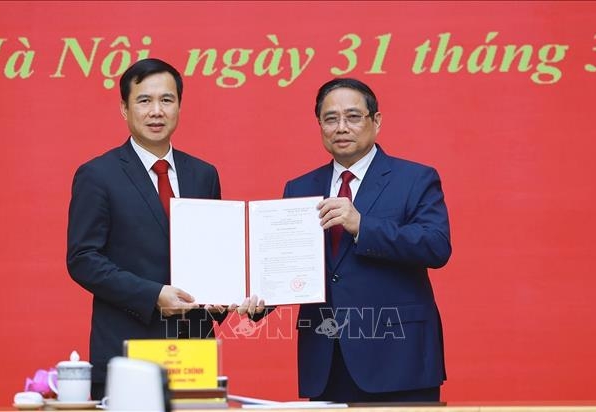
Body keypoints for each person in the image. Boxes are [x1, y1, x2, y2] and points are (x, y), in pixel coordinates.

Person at [66, 58, 264, 400]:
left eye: (166, 100)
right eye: (144, 100)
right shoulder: (98, 175)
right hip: (128, 349)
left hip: (194, 352)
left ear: (179, 106)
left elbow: (213, 254)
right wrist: (153, 295)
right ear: (124, 109)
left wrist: (224, 294)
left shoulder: (203, 174)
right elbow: (83, 259)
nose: (156, 111)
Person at [283, 78, 451, 403]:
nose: (341, 127)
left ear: (376, 121)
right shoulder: (300, 188)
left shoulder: (415, 178)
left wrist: (362, 226)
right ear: (319, 125)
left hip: (399, 357)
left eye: (353, 117)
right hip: (327, 357)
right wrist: (257, 299)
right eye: (331, 119)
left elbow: (436, 245)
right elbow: (287, 263)